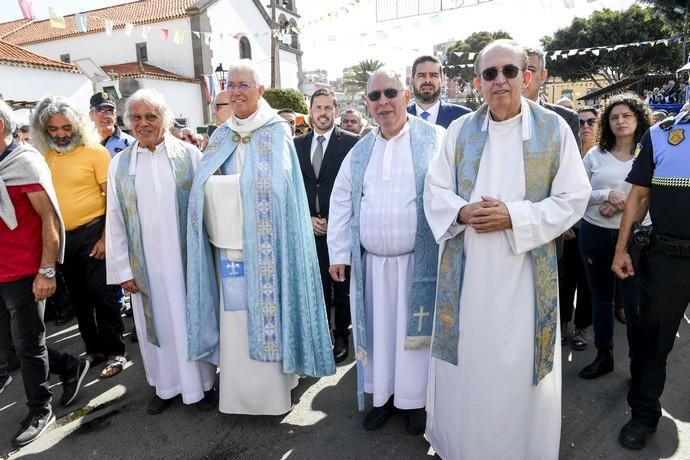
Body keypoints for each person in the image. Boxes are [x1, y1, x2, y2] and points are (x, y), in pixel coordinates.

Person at [423, 39, 590, 459]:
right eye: (490, 73)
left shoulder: (553, 130)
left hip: (525, 277)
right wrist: (461, 212)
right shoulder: (460, 132)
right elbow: (434, 189)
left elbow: (573, 197)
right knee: (470, 367)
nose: (500, 81)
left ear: (527, 76)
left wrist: (513, 217)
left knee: (518, 368)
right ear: (478, 82)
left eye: (509, 71)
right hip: (468, 276)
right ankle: (465, 447)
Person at [186, 59, 335, 416]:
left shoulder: (276, 131)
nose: (236, 91)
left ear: (260, 90)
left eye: (244, 85)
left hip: (271, 248)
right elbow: (201, 186)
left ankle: (273, 392)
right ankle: (238, 395)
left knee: (271, 314)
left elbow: (283, 189)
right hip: (230, 247)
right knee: (235, 320)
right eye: (231, 85)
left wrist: (244, 192)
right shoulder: (220, 135)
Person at [328, 68, 444, 435]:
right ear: (367, 103)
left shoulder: (435, 139)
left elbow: (450, 195)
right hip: (373, 267)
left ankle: (416, 403)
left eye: (390, 93)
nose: (383, 102)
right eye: (375, 96)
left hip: (418, 265)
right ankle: (384, 398)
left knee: (415, 340)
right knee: (380, 337)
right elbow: (341, 201)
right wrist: (338, 254)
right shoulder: (360, 150)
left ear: (406, 96)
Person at [105, 89, 216, 415]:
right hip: (147, 268)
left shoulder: (190, 156)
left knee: (192, 321)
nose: (143, 123)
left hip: (187, 264)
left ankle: (205, 385)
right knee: (159, 330)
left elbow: (208, 209)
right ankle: (165, 387)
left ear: (165, 119)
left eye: (150, 116)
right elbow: (114, 218)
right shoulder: (120, 165)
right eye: (136, 118)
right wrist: (124, 270)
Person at [0, 98, 89, 447]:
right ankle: (69, 366)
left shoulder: (24, 164)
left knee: (28, 343)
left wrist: (47, 271)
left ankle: (40, 409)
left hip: (26, 271)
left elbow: (49, 221)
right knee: (10, 349)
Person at [31, 96, 126, 379]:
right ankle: (94, 350)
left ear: (79, 125)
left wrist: (104, 238)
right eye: (53, 129)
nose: (60, 134)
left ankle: (115, 351)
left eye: (66, 127)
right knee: (79, 298)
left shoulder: (95, 152)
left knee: (104, 295)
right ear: (44, 129)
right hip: (61, 239)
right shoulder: (41, 155)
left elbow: (113, 200)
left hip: (93, 233)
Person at [612, 108, 690, 451]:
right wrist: (621, 249)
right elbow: (639, 197)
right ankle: (643, 415)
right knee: (651, 343)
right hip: (667, 259)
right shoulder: (661, 133)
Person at [578, 94, 652, 381]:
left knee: (634, 303)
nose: (620, 121)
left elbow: (652, 195)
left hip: (635, 237)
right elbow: (577, 193)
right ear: (607, 123)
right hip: (595, 233)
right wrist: (604, 196)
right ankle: (604, 355)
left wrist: (624, 206)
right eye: (614, 117)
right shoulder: (594, 154)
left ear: (638, 119)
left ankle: (638, 364)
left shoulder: (648, 152)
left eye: (627, 116)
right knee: (601, 300)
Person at [294, 89, 359, 364]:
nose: (323, 112)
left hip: (340, 227)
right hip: (308, 228)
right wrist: (306, 219)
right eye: (318, 107)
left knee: (341, 286)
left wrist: (336, 221)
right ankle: (319, 338)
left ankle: (342, 335)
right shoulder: (296, 145)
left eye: (328, 108)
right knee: (315, 286)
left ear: (336, 110)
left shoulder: (353, 143)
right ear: (310, 111)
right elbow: (293, 187)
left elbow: (358, 187)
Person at [559, 107, 599, 350]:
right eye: (580, 122)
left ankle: (582, 328)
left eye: (590, 122)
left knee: (587, 282)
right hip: (569, 230)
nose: (584, 126)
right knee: (565, 280)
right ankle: (562, 325)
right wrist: (563, 223)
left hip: (594, 230)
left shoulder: (604, 156)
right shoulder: (567, 154)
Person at [524, 48, 581, 151]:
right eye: (517, 70)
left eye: (530, 70)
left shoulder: (566, 118)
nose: (524, 77)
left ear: (543, 76)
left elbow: (571, 164)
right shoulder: (494, 116)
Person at [407, 55, 471, 128]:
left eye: (434, 75)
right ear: (412, 81)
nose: (427, 80)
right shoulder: (399, 116)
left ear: (442, 80)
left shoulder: (464, 117)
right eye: (421, 75)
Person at [89, 92, 134, 157]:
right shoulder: (83, 141)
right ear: (91, 115)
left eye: (110, 111)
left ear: (115, 116)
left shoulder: (129, 143)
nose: (106, 116)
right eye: (100, 111)